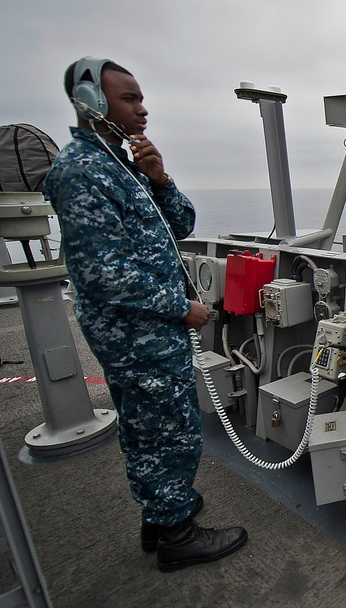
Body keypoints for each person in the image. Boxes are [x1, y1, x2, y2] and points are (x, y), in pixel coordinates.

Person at [44, 57, 247, 572]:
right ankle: (177, 535)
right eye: (129, 98)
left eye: (140, 97)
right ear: (91, 102)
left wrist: (159, 177)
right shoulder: (81, 172)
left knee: (147, 425)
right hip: (138, 333)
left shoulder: (122, 165)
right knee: (169, 428)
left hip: (149, 330)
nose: (143, 108)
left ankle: (161, 515)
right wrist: (183, 309)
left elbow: (180, 223)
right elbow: (101, 275)